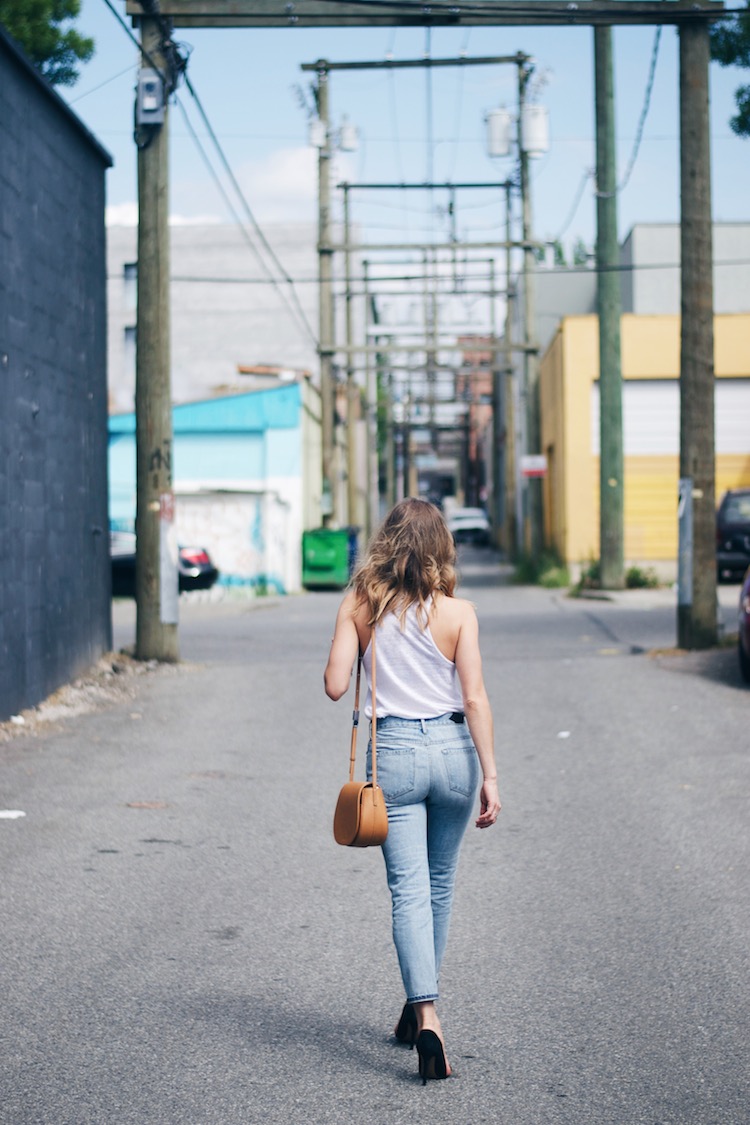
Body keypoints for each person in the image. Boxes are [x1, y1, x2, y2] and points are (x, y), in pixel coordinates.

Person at [324, 498, 501, 1084]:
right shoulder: (459, 613)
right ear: (440, 548)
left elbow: (333, 686)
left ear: (386, 543)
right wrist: (491, 776)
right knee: (439, 886)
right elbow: (474, 698)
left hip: (394, 754)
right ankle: (415, 1007)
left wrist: (353, 631)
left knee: (408, 892)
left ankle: (427, 1015)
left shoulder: (361, 604)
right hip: (454, 756)